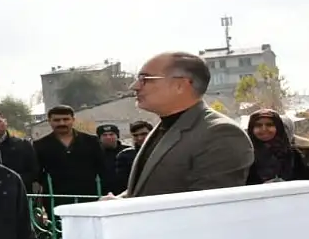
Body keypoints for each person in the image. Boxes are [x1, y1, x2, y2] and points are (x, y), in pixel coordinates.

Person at [114, 52, 253, 198]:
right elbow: (149, 189)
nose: (134, 86)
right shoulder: (166, 126)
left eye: (145, 79)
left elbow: (208, 207)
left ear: (180, 85)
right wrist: (119, 202)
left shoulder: (220, 134)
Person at [33, 105, 105, 200]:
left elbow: (103, 168)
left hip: (89, 196)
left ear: (73, 120)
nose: (61, 123)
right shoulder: (39, 145)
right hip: (56, 198)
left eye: (66, 119)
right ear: (49, 121)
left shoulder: (91, 141)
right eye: (57, 120)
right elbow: (36, 173)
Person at [244, 109, 309, 184]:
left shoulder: (292, 154)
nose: (264, 129)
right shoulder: (245, 155)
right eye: (258, 125)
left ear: (278, 127)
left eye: (269, 125)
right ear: (251, 129)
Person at [0, 109, 39, 190]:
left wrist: (11, 182)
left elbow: (34, 172)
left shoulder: (23, 144)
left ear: (5, 122)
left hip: (19, 194)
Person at [114, 120, 153, 189]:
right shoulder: (125, 156)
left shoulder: (163, 151)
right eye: (135, 135)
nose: (139, 138)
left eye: (144, 134)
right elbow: (123, 182)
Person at [96, 124, 126, 194]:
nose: (108, 137)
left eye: (111, 134)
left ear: (117, 136)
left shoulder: (128, 152)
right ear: (99, 138)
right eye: (104, 135)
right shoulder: (95, 153)